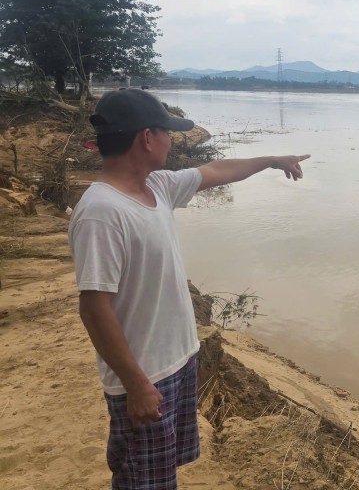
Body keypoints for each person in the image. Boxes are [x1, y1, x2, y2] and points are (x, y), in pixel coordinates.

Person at [68, 88, 309, 489]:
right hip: (145, 375)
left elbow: (217, 171)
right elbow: (93, 309)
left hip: (175, 363)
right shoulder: (102, 213)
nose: (172, 139)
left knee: (162, 476)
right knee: (142, 481)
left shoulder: (157, 187)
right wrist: (137, 385)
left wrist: (270, 160)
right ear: (148, 138)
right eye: (168, 132)